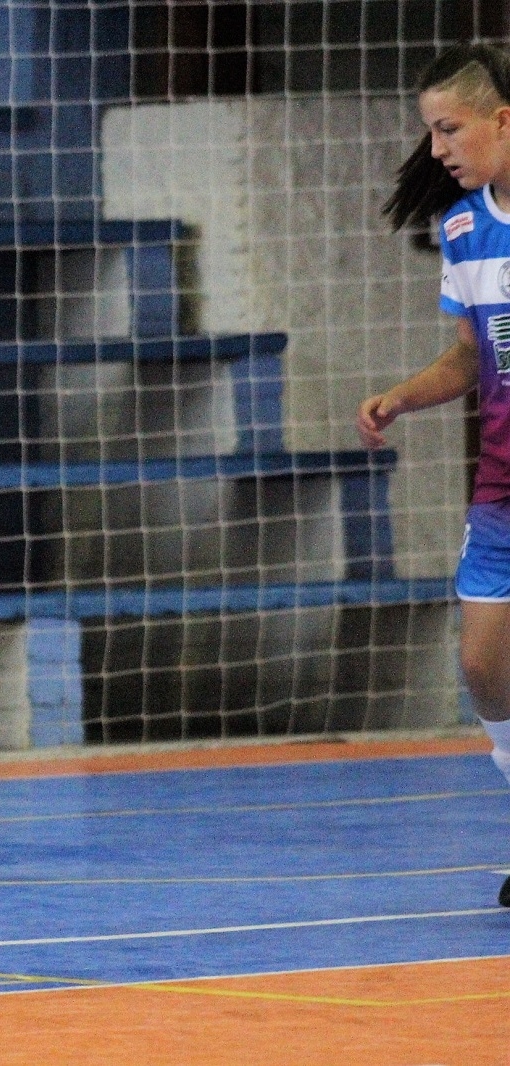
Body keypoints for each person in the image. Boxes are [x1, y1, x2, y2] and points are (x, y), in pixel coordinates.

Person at [364, 42, 510, 908]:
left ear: (502, 119)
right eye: (429, 134)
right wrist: (399, 397)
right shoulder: (462, 231)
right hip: (501, 488)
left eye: (449, 128)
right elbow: (469, 358)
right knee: (485, 665)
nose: (439, 149)